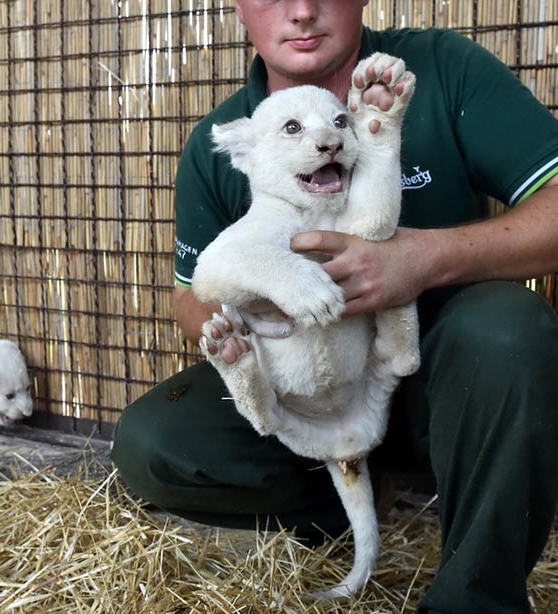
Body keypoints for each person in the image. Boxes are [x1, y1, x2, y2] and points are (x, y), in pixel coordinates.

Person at [110, 2, 558, 613]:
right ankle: (345, 503)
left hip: (444, 386)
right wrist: (261, 300)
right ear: (240, 7)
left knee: (510, 329)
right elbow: (191, 293)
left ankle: (474, 595)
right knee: (151, 442)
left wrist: (421, 260)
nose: (300, 11)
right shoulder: (227, 135)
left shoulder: (440, 69)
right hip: (310, 393)